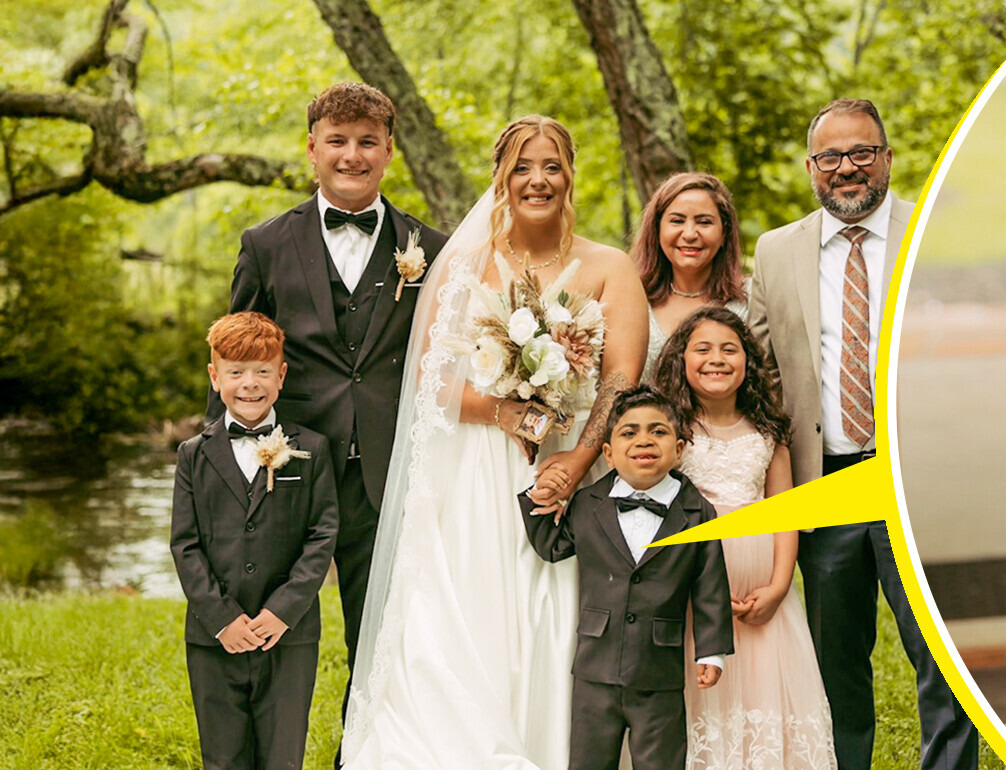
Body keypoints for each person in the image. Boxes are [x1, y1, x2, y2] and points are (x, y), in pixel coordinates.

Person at [340, 115, 649, 768]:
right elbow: (428, 379)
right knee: (461, 614)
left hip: (564, 470)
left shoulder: (609, 266)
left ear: (570, 176)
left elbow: (620, 380)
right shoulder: (463, 262)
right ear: (501, 179)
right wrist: (499, 411)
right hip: (474, 469)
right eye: (523, 167)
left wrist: (577, 460)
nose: (538, 180)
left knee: (552, 613)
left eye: (552, 166)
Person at [748, 98, 977, 770]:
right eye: (831, 157)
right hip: (829, 481)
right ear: (811, 167)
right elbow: (759, 374)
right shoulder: (776, 251)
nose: (847, 168)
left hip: (916, 479)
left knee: (938, 654)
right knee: (833, 660)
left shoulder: (932, 231)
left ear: (887, 158)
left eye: (861, 153)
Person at [210, 82, 447, 709]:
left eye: (367, 142)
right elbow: (237, 357)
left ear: (389, 151)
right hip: (284, 472)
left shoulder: (432, 249)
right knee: (271, 628)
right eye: (337, 141)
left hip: (387, 475)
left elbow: (445, 367)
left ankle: (363, 750)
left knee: (381, 633)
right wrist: (216, 470)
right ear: (311, 148)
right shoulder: (265, 244)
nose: (352, 155)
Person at [653, 306, 836, 769]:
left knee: (765, 700)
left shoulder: (769, 433)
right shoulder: (672, 433)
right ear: (681, 360)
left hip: (764, 607)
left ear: (749, 363)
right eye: (703, 349)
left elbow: (785, 514)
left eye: (729, 349)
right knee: (705, 701)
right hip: (693, 599)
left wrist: (778, 586)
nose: (717, 359)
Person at [519, 385, 735, 770]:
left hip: (659, 670)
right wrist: (537, 494)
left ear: (679, 449)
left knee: (662, 761)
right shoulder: (588, 504)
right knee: (589, 759)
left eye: (658, 431)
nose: (644, 441)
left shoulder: (698, 512)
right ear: (608, 453)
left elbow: (710, 586)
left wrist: (711, 650)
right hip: (595, 667)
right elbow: (553, 548)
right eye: (629, 432)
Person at [172, 311, 339, 769]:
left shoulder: (312, 449)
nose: (250, 384)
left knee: (283, 756)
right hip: (214, 638)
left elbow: (322, 536)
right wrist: (222, 619)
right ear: (214, 376)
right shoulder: (193, 455)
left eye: (263, 371)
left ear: (281, 376)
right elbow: (184, 545)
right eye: (236, 372)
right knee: (223, 757)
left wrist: (282, 612)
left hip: (288, 636)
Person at [632, 172, 749, 382]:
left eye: (704, 222)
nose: (689, 234)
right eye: (677, 221)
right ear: (657, 229)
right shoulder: (633, 300)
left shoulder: (751, 300)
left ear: (724, 233)